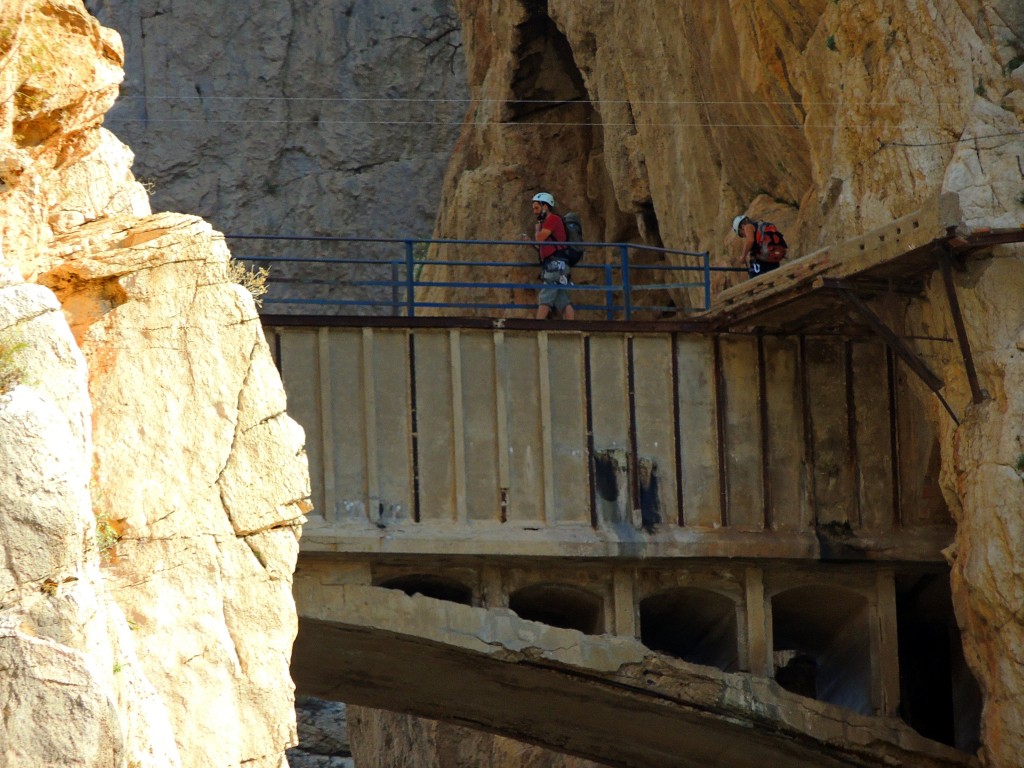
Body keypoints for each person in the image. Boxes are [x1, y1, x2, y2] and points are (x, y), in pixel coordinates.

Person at [530, 192, 575, 320]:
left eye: (536, 208)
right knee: (562, 299)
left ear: (545, 206)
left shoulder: (552, 219)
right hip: (557, 264)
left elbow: (539, 239)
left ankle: (537, 327)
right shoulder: (548, 222)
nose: (534, 212)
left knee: (546, 296)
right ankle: (571, 327)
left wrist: (537, 229)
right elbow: (541, 246)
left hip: (555, 264)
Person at [733, 214, 781, 279]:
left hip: (761, 261)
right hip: (773, 258)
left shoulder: (747, 226)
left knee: (754, 278)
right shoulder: (759, 226)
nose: (744, 236)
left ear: (741, 226)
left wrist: (743, 256)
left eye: (741, 234)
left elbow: (750, 240)